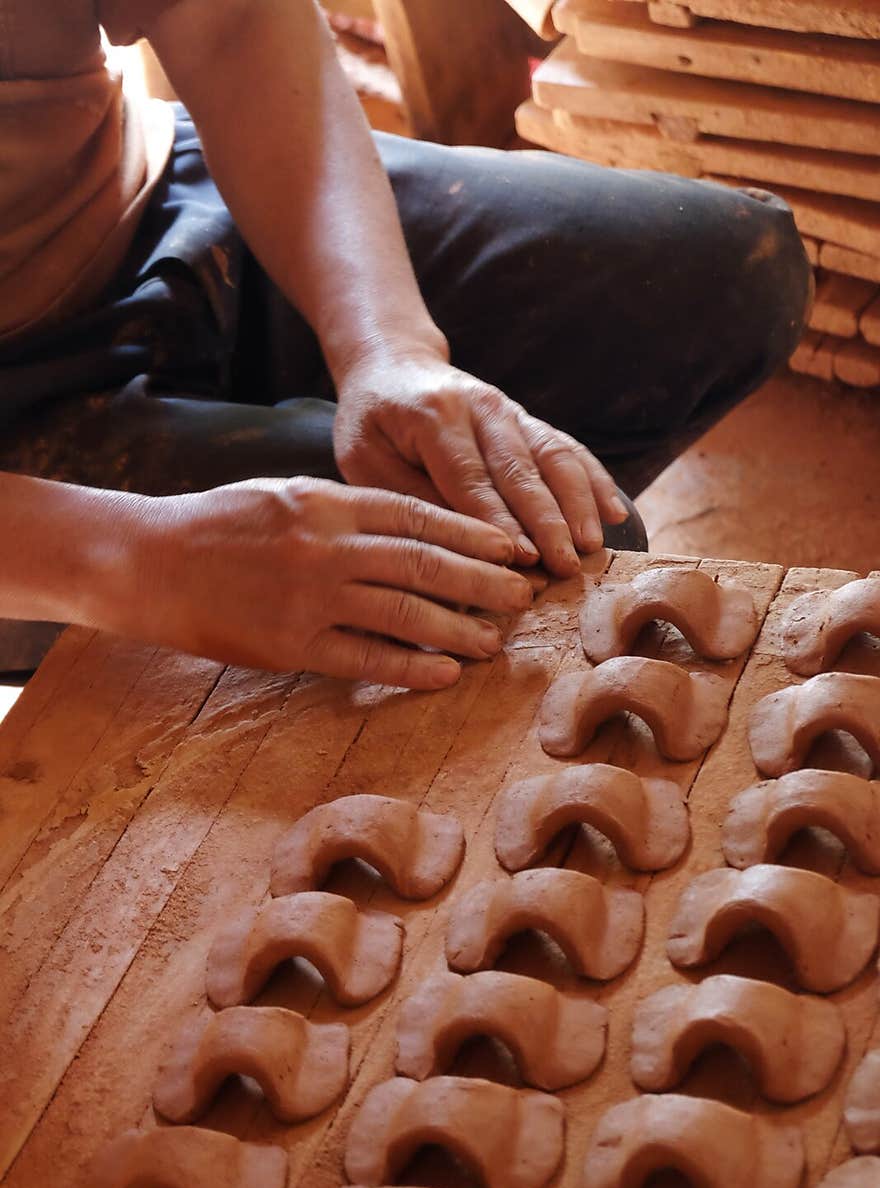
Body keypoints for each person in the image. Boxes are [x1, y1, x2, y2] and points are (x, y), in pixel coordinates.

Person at [0, 1, 811, 687]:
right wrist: (141, 562)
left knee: (735, 271)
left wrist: (386, 347)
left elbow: (231, 24)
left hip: (151, 193)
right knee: (535, 575)